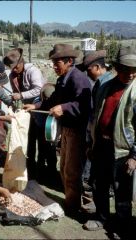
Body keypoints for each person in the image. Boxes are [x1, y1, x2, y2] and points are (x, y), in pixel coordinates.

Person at [24, 43, 91, 216]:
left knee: (72, 170)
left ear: (69, 61)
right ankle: (71, 201)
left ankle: (74, 207)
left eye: (57, 62)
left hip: (77, 131)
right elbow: (52, 100)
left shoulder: (78, 79)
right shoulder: (63, 79)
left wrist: (65, 108)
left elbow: (84, 105)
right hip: (67, 130)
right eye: (53, 62)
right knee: (64, 168)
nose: (54, 66)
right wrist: (36, 105)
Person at [82, 46, 136, 238]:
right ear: (117, 68)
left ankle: (122, 225)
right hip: (101, 145)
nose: (130, 74)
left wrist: (135, 156)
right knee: (99, 185)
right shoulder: (104, 86)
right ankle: (101, 216)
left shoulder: (135, 92)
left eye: (134, 70)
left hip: (123, 150)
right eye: (126, 69)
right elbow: (95, 116)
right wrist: (91, 144)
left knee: (122, 191)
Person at [3, 48, 46, 180]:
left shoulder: (33, 71)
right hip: (25, 111)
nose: (13, 70)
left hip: (39, 107)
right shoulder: (12, 75)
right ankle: (30, 168)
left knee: (43, 140)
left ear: (21, 63)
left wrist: (21, 95)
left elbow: (38, 89)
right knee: (28, 139)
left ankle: (46, 170)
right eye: (11, 68)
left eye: (15, 67)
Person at [81, 50, 114, 212]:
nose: (87, 74)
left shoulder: (104, 83)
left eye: (89, 70)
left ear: (97, 67)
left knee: (95, 173)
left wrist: (91, 138)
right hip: (97, 135)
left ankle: (95, 203)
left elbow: (97, 114)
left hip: (101, 136)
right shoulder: (102, 82)